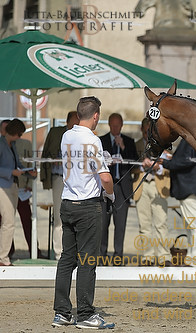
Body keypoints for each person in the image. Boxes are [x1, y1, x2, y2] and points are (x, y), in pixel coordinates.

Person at [52, 96, 115, 329]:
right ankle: (86, 314)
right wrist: (110, 194)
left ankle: (62, 312)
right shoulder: (93, 140)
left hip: (67, 202)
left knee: (67, 260)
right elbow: (105, 177)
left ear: (79, 114)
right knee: (88, 261)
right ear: (96, 116)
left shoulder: (67, 135)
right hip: (88, 205)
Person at [162, 139, 196, 266]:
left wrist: (166, 162)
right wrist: (172, 158)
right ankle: (192, 258)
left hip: (191, 188)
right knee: (192, 226)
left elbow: (184, 161)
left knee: (195, 226)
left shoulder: (191, 139)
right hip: (193, 188)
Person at [99, 113, 138, 264]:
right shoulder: (101, 141)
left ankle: (118, 256)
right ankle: (101, 256)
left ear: (122, 125)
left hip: (122, 188)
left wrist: (123, 147)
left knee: (120, 224)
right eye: (113, 125)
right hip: (105, 186)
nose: (115, 128)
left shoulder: (129, 141)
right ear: (109, 125)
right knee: (103, 223)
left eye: (118, 125)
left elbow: (135, 163)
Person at [40, 111, 79, 260]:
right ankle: (58, 253)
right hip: (59, 178)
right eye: (75, 120)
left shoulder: (81, 135)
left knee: (76, 216)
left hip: (76, 180)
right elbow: (46, 154)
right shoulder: (56, 133)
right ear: (68, 121)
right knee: (59, 217)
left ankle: (73, 251)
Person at [133, 118, 172, 266]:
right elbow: (130, 165)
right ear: (142, 130)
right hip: (142, 185)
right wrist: (142, 166)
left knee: (161, 223)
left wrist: (159, 167)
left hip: (158, 184)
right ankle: (147, 257)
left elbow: (170, 164)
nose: (147, 134)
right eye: (145, 131)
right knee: (144, 224)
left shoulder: (163, 146)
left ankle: (164, 256)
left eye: (150, 131)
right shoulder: (136, 145)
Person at [0, 119, 37, 266]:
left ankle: (3, 256)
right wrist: (11, 172)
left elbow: (18, 165)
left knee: (9, 222)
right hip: (3, 186)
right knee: (8, 222)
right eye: (19, 134)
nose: (20, 137)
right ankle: (3, 258)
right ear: (14, 133)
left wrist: (29, 173)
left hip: (13, 185)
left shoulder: (12, 145)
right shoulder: (1, 144)